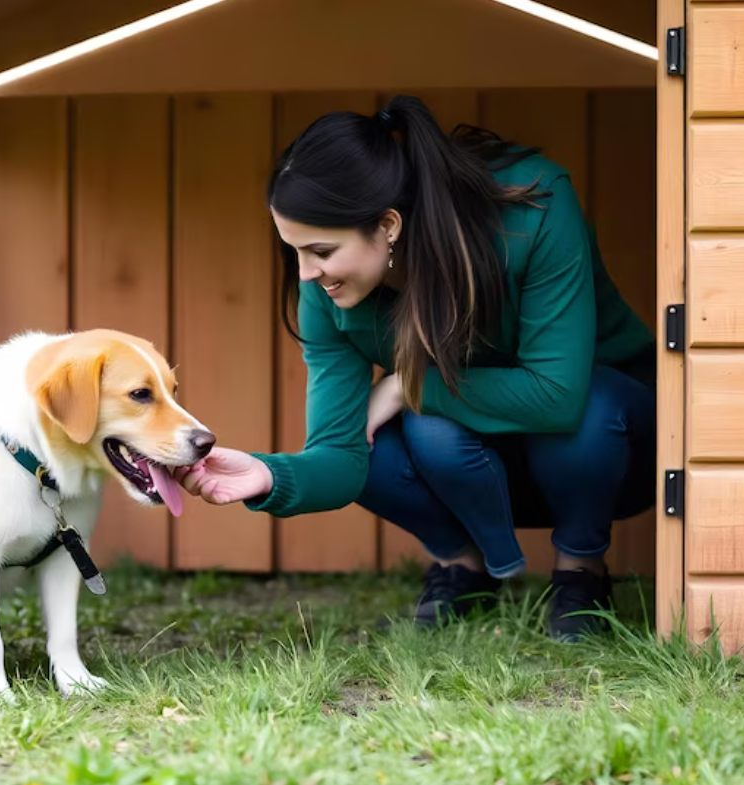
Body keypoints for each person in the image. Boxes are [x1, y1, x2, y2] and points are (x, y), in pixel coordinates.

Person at [173, 96, 656, 640]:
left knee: (590, 409)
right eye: (294, 253)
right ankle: (464, 566)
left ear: (388, 224)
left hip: (607, 451)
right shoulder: (327, 292)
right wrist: (269, 475)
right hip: (467, 466)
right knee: (381, 440)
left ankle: (580, 575)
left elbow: (557, 395)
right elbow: (340, 452)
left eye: (322, 251)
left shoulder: (532, 207)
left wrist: (410, 383)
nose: (307, 274)